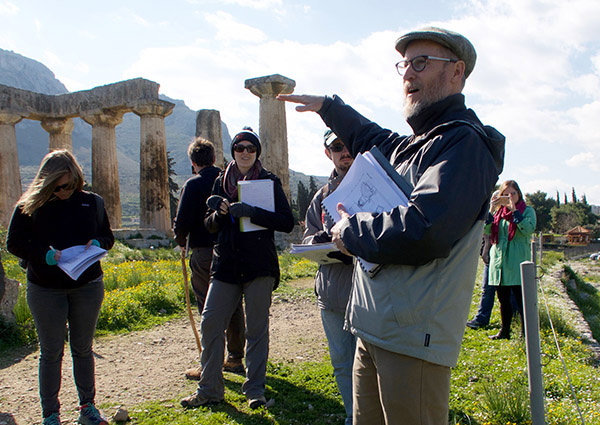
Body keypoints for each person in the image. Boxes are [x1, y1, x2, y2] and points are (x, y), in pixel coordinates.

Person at [278, 27, 505, 424]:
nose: (408, 75)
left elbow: (425, 229)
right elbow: (370, 136)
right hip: (374, 326)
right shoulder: (418, 143)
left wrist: (349, 231)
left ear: (457, 72)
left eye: (421, 63)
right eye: (403, 64)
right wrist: (328, 107)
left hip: (413, 337)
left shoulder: (464, 145)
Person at [180, 127, 294, 410]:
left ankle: (255, 390)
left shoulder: (269, 181)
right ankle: (210, 390)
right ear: (232, 151)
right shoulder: (220, 181)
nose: (245, 152)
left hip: (259, 265)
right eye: (240, 148)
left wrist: (253, 212)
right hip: (226, 263)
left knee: (256, 330)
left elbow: (286, 221)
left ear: (257, 153)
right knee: (210, 323)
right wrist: (219, 214)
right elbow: (208, 226)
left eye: (251, 149)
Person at [6, 150, 114, 425]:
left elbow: (108, 236)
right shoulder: (30, 204)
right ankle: (50, 415)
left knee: (83, 348)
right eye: (57, 187)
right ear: (46, 182)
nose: (64, 191)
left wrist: (99, 244)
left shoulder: (92, 203)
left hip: (87, 285)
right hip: (45, 288)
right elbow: (14, 243)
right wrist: (43, 254)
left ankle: (87, 407)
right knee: (51, 352)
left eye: (68, 185)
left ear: (77, 178)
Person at [173, 137, 246, 379]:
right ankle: (235, 358)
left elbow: (181, 223)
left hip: (204, 253)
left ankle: (209, 364)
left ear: (193, 162)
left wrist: (180, 242)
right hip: (233, 250)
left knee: (208, 307)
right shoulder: (230, 179)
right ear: (214, 159)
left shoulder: (192, 185)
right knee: (234, 305)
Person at [302, 129, 355, 425]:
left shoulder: (373, 185)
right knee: (342, 363)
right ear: (328, 153)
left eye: (347, 145)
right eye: (337, 147)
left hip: (369, 292)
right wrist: (320, 240)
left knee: (374, 364)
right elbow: (307, 238)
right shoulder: (320, 197)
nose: (343, 151)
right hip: (332, 293)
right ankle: (353, 417)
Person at [487, 180, 536, 340]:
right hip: (500, 260)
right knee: (503, 299)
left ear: (519, 194)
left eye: (512, 193)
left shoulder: (527, 211)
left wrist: (514, 211)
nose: (509, 197)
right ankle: (505, 331)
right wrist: (491, 209)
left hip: (517, 260)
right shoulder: (498, 213)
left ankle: (525, 334)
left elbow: (528, 229)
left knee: (522, 300)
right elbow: (485, 229)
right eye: (505, 194)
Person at [466, 191, 500, 329]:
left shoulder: (509, 214)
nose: (498, 202)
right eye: (495, 199)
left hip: (506, 258)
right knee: (487, 289)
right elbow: (484, 229)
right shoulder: (491, 215)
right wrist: (490, 210)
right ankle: (481, 319)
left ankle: (514, 320)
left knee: (509, 292)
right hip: (490, 257)